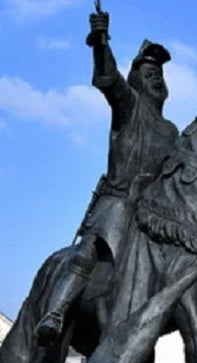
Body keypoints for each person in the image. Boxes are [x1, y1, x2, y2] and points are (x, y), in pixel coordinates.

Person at [34, 7, 179, 345]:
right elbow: (109, 79)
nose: (156, 76)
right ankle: (55, 313)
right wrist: (100, 40)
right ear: (137, 80)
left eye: (160, 72)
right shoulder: (129, 107)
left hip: (153, 216)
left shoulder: (173, 133)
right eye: (149, 71)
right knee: (86, 253)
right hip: (117, 205)